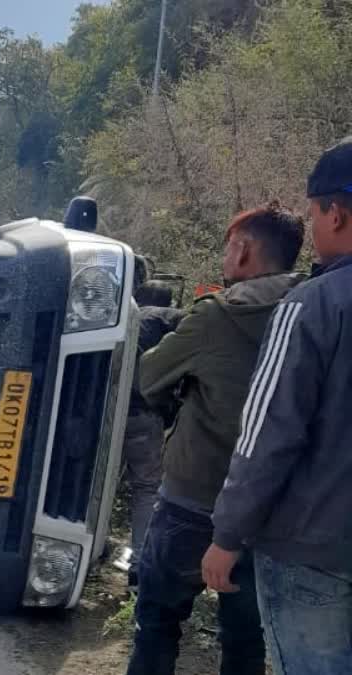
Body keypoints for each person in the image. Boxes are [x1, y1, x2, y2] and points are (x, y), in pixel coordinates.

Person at [127, 203, 306, 675]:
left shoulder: (217, 317)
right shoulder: (312, 313)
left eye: (229, 248)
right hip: (269, 510)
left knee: (157, 623)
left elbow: (150, 375)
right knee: (246, 641)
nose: (225, 258)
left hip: (192, 500)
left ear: (243, 251)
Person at [203, 138, 352, 674]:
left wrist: (227, 535)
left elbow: (268, 433)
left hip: (310, 551)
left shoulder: (311, 305)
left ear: (335, 214)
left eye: (313, 213)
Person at [115, 278, 185, 589]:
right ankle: (138, 571)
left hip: (102, 414)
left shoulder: (120, 315)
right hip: (141, 415)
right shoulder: (164, 316)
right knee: (145, 488)